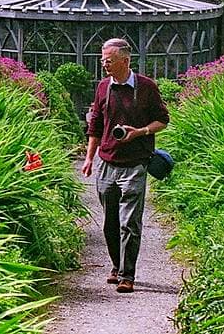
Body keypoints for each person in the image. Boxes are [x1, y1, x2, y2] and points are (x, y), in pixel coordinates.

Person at [81, 38, 170, 294]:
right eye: (102, 60)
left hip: (136, 163)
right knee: (109, 223)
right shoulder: (102, 88)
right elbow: (95, 125)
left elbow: (162, 120)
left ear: (125, 60)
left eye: (108, 60)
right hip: (107, 162)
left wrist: (140, 132)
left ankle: (127, 275)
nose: (104, 64)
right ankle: (116, 266)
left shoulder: (146, 87)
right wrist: (89, 158)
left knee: (129, 222)